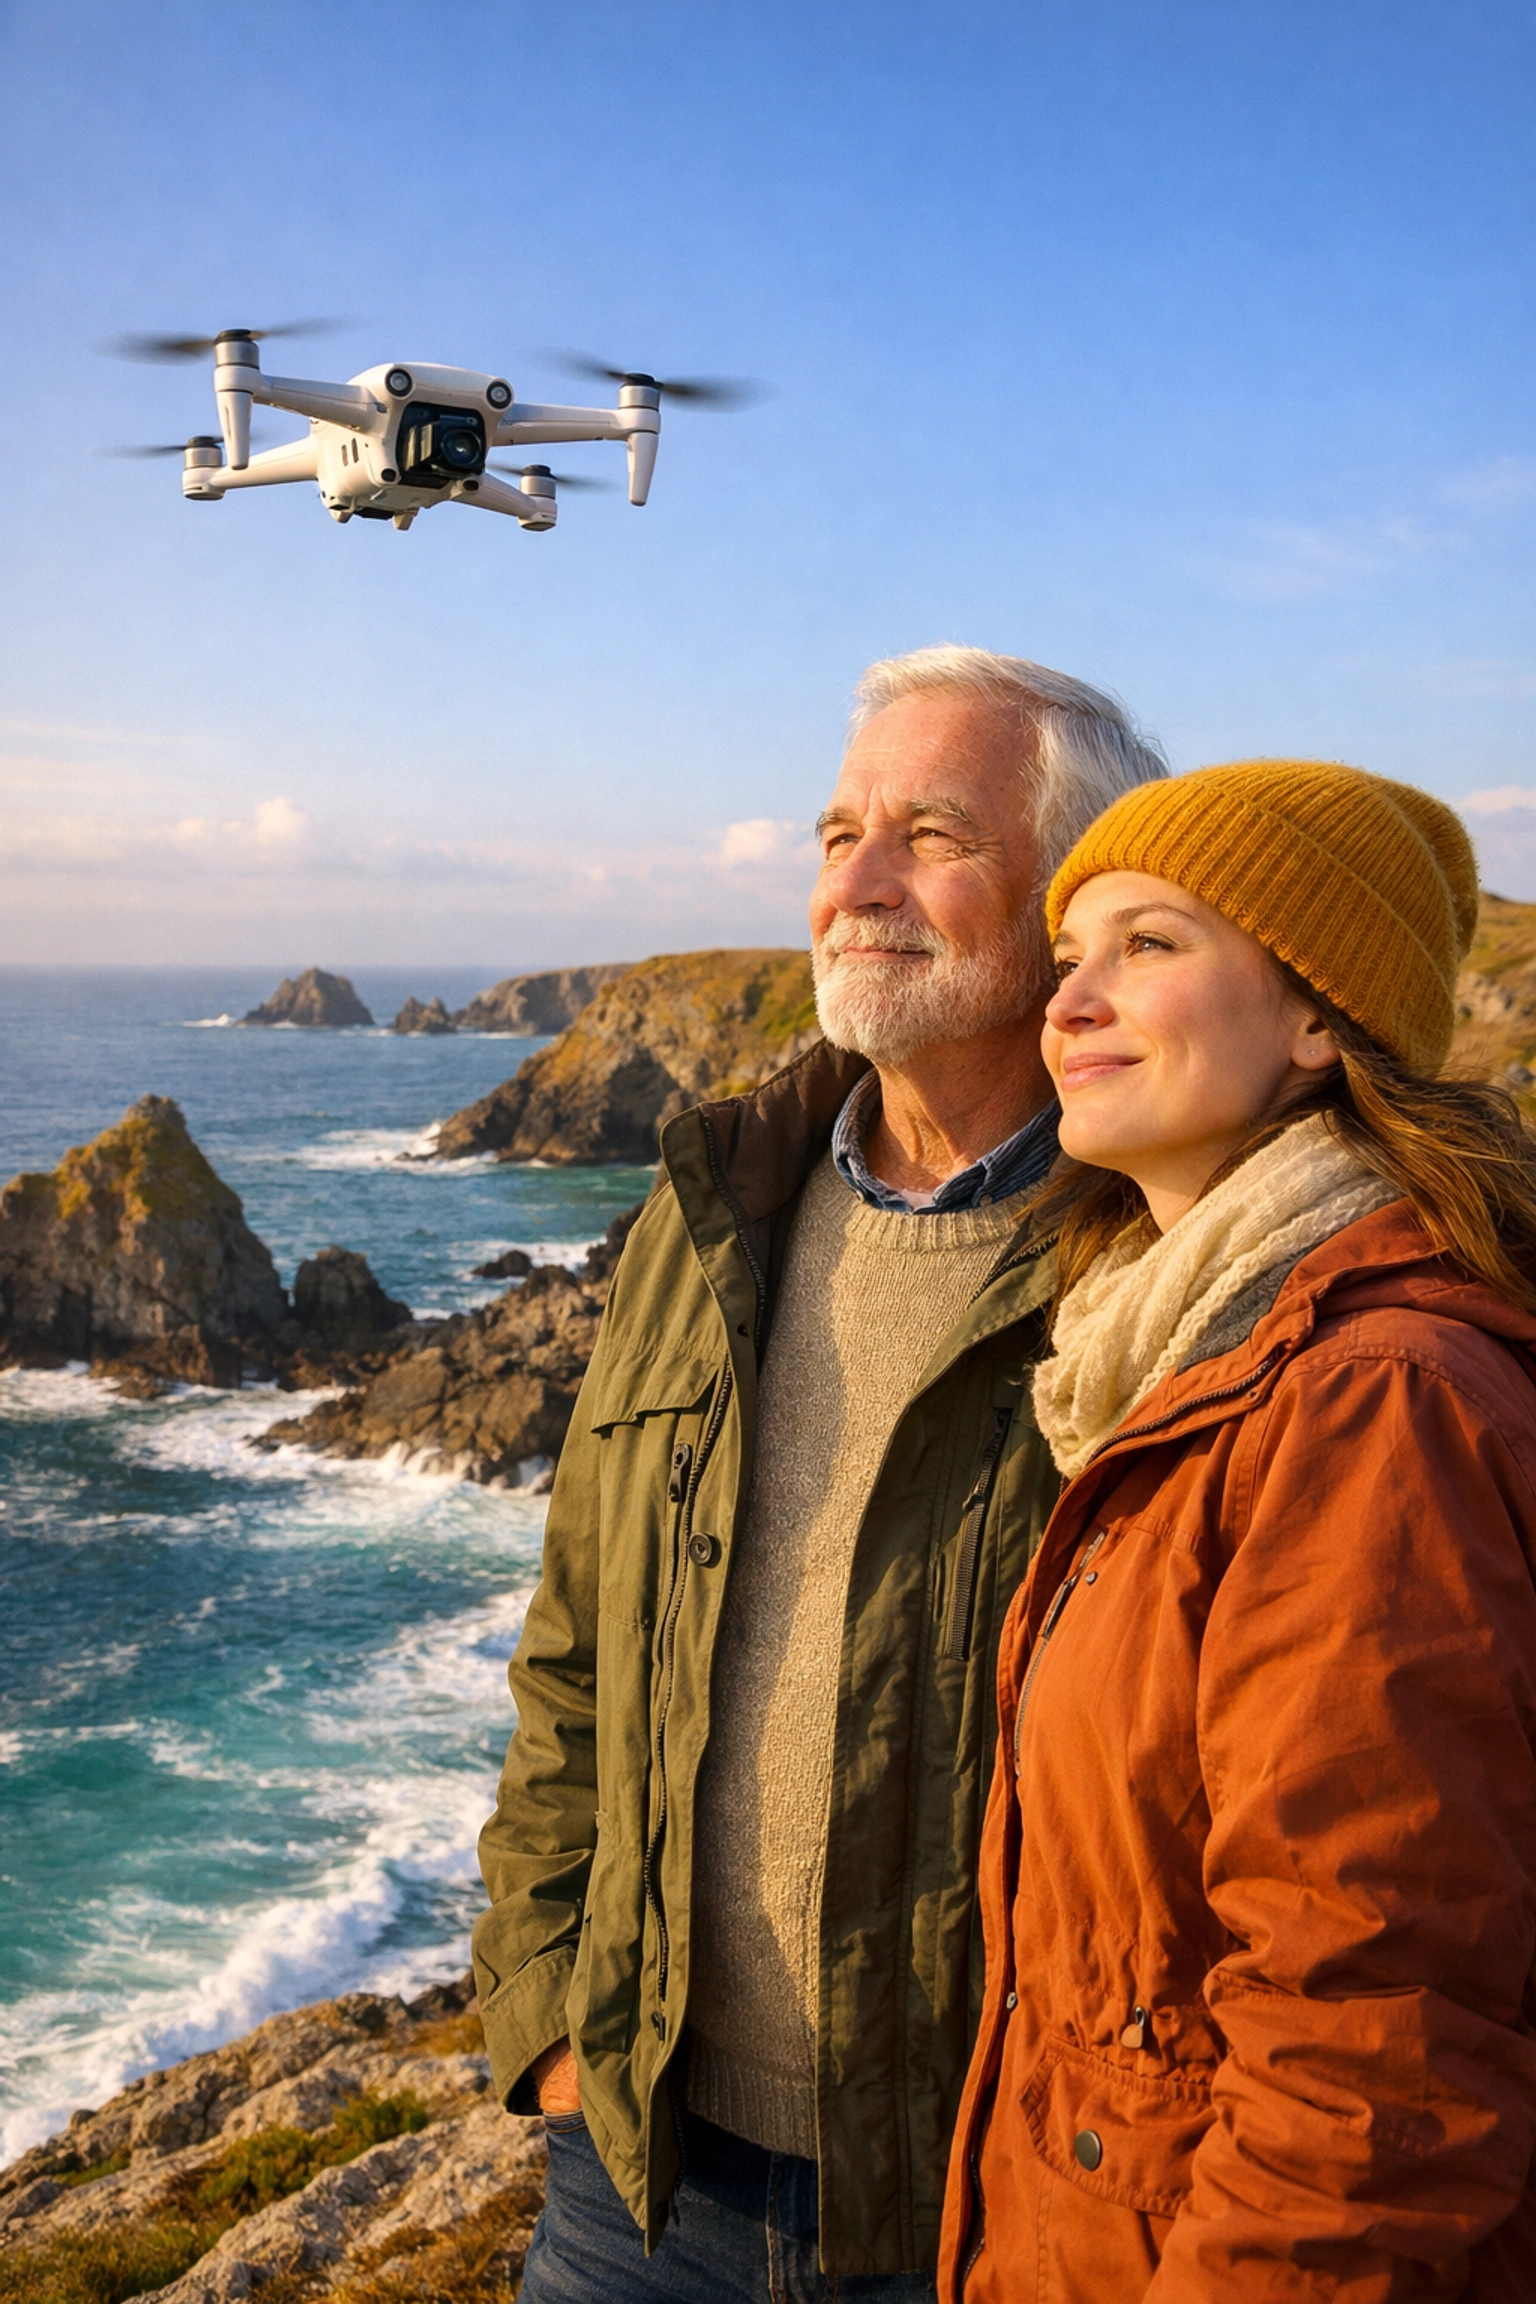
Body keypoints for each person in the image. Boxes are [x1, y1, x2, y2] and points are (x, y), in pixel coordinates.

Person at [472, 645, 1166, 2300]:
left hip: (982, 2201)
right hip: (641, 2180)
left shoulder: (1165, 1259)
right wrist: (546, 2001)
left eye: (931, 835)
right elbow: (577, 1642)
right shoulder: (714, 1209)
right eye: (835, 831)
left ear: (1071, 904)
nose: (855, 883)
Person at [939, 759, 1536, 2302]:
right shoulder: (1169, 1362)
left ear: (1324, 1020)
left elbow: (1372, 2054)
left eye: (1150, 943)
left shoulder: (1368, 1405)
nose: (1069, 1000)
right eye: (1070, 956)